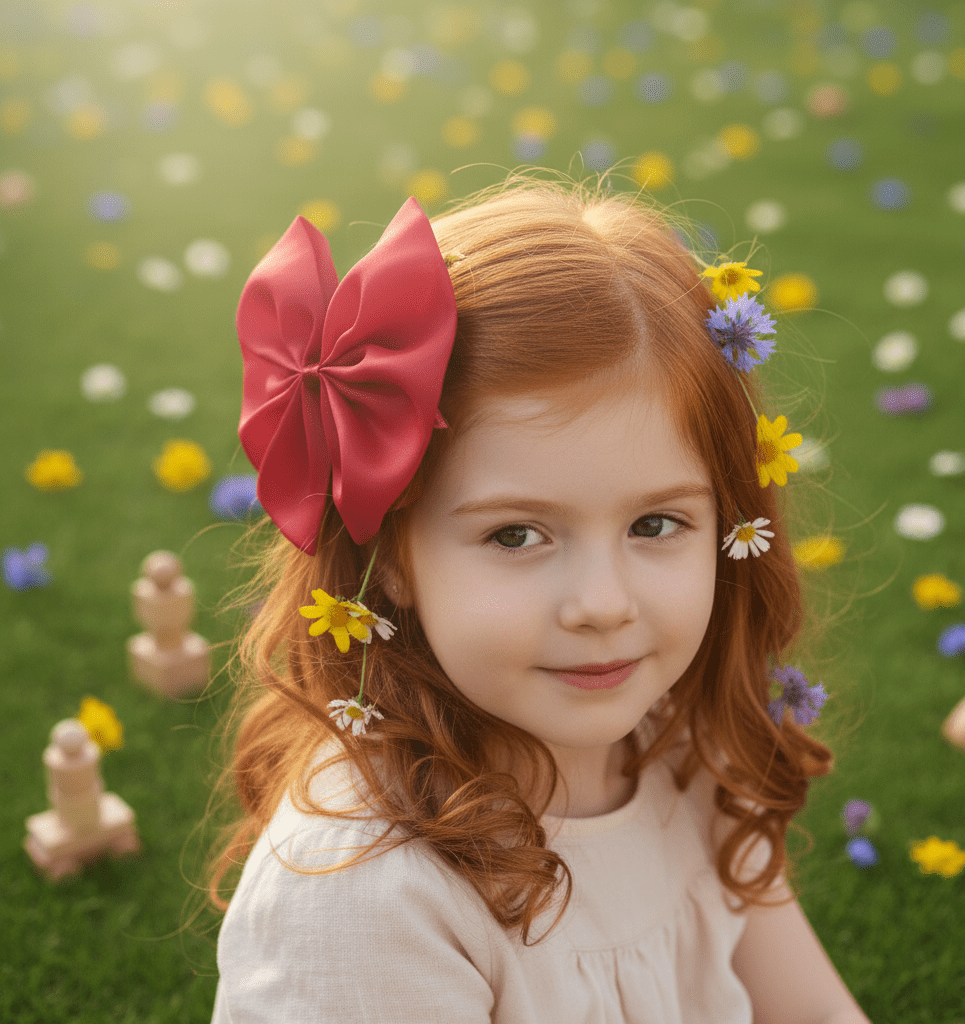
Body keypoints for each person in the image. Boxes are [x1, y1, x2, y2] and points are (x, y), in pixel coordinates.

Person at [206, 178, 872, 1024]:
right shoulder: (366, 896)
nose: (602, 604)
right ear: (393, 553)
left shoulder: (682, 746)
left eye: (657, 523)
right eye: (517, 536)